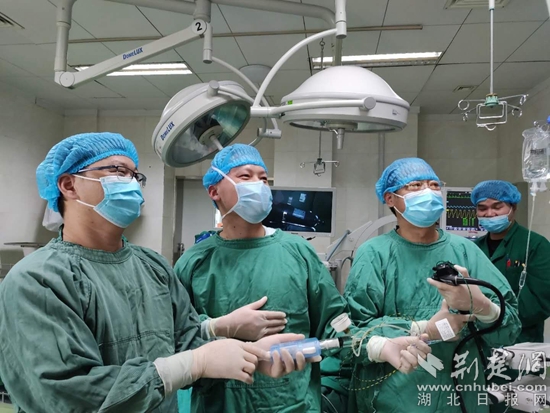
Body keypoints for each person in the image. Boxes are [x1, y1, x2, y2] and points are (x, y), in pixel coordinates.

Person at [0, 133, 309, 413]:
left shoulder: (153, 267)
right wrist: (194, 363)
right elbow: (66, 393)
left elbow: (185, 341)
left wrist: (250, 356)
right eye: (118, 171)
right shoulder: (38, 280)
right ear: (69, 185)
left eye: (135, 175)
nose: (132, 183)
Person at [174, 144, 430, 413]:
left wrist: (379, 346)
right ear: (214, 191)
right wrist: (219, 327)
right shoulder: (194, 263)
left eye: (264, 178)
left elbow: (334, 326)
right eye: (245, 176)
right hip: (220, 404)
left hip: (293, 404)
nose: (258, 185)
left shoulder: (298, 252)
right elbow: (177, 340)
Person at [343, 158, 521, 412]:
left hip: (460, 394)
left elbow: (511, 326)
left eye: (434, 185)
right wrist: (424, 328)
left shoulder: (465, 250)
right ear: (390, 199)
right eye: (415, 185)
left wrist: (482, 306)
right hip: (395, 396)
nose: (428, 191)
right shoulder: (374, 254)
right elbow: (351, 335)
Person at [471, 180, 550, 343]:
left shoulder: (535, 245)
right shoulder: (473, 248)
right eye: (482, 208)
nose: (489, 214)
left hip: (519, 339)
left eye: (497, 207)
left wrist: (496, 316)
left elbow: (541, 300)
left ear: (513, 207)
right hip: (478, 339)